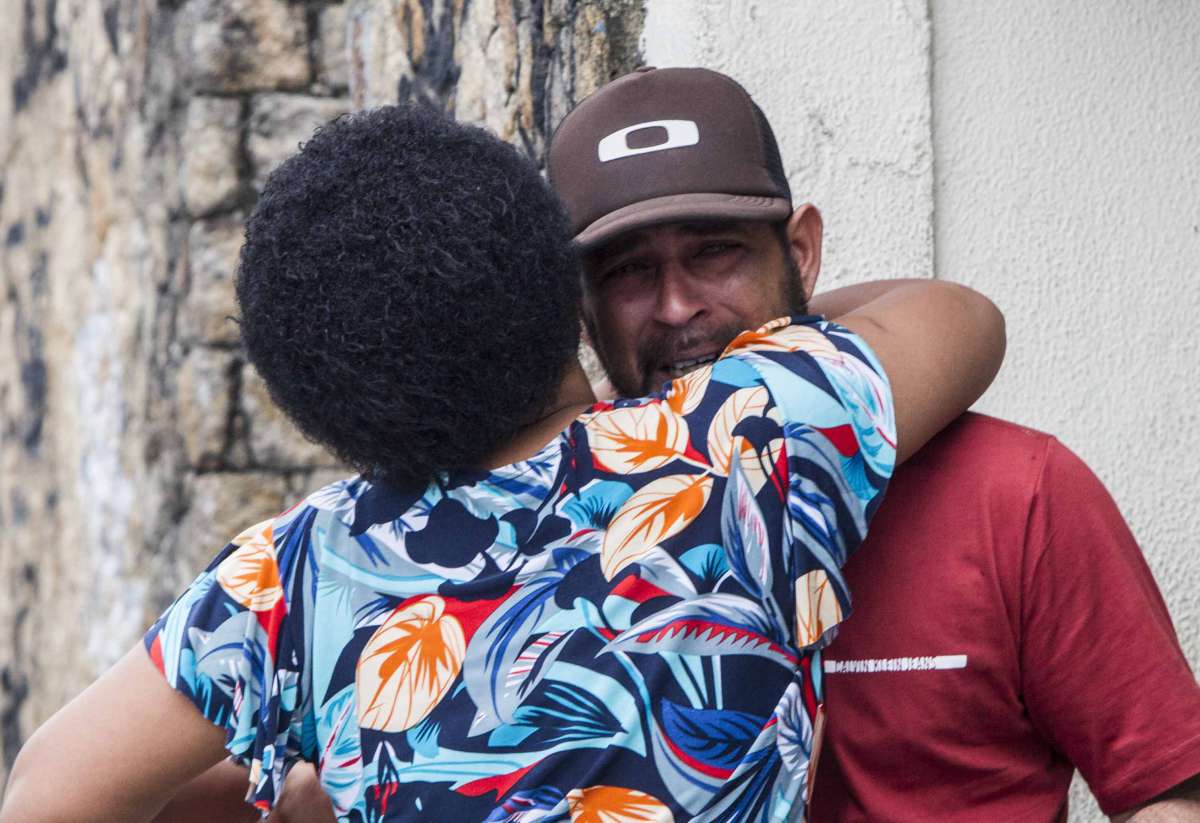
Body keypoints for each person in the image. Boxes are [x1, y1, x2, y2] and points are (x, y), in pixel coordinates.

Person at [0, 105, 1003, 821]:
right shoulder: (739, 436)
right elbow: (961, 318)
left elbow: (50, 790)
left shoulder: (296, 572)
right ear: (553, 285)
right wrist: (738, 361)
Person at [547, 67, 1200, 821]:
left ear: (801, 253)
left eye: (715, 252)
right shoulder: (554, 534)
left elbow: (1170, 796)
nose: (677, 305)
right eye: (630, 271)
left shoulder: (1012, 492)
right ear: (584, 312)